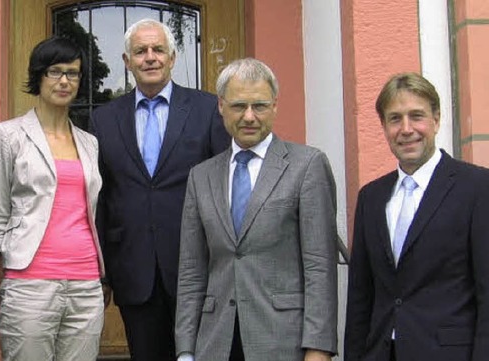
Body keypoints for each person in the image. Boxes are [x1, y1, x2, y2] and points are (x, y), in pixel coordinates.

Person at [174, 58, 338, 361]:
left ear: (275, 106)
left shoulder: (307, 166)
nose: (249, 116)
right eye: (239, 106)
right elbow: (191, 271)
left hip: (283, 341)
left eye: (259, 106)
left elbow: (320, 266)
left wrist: (318, 348)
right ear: (221, 106)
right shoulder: (201, 176)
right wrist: (185, 350)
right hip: (216, 342)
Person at [90, 18, 230, 361]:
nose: (149, 57)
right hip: (135, 270)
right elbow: (101, 200)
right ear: (127, 61)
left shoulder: (208, 109)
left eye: (158, 50)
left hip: (199, 268)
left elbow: (224, 186)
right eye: (140, 51)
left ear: (172, 57)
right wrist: (103, 272)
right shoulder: (103, 119)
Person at [344, 72, 489, 361]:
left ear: (436, 120)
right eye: (395, 118)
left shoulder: (477, 187)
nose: (406, 129)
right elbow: (361, 297)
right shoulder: (371, 197)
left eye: (417, 116)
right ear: (384, 126)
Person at [0, 36, 105, 361]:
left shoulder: (89, 142)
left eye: (73, 73)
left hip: (86, 284)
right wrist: (4, 287)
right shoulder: (8, 136)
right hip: (28, 285)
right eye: (55, 71)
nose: (65, 81)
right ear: (38, 76)